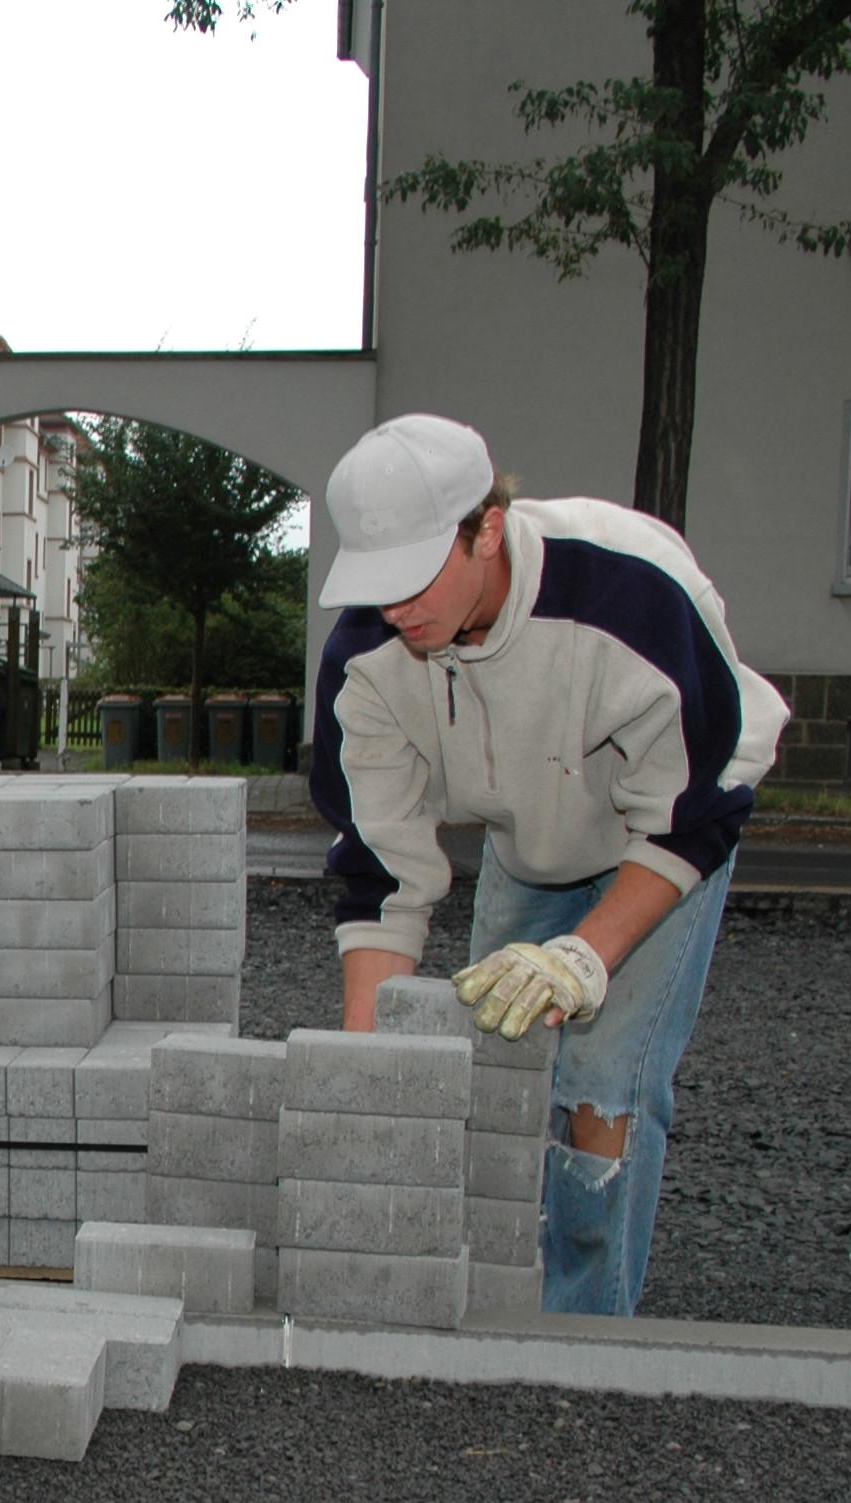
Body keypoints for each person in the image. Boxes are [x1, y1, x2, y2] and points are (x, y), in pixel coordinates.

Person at [309, 414, 788, 1316]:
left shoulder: (630, 594)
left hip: (661, 843)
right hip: (532, 846)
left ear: (485, 527)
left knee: (601, 1091)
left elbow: (700, 810)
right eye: (377, 586)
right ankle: (500, 1295)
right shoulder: (368, 660)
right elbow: (381, 870)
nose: (397, 610)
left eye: (414, 578)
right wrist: (361, 1084)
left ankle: (584, 1340)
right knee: (496, 1063)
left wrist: (583, 955)